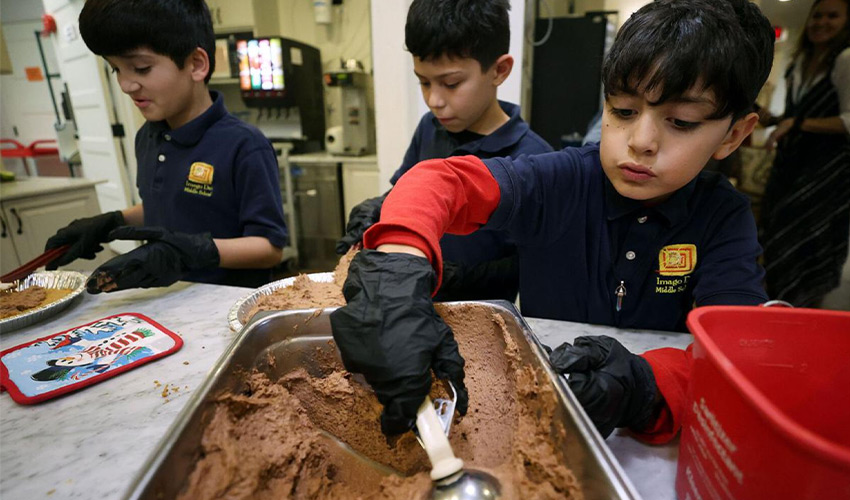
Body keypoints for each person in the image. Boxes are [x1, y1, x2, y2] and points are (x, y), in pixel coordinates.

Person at [330, 0, 775, 442]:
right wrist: (398, 262)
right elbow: (440, 182)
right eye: (623, 112)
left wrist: (643, 385)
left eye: (680, 121)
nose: (641, 141)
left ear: (734, 134)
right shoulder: (562, 179)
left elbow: (733, 350)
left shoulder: (725, 218)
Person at [43, 0, 288, 292]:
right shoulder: (147, 137)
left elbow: (269, 248)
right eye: (115, 70)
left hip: (225, 304)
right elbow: (170, 203)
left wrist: (190, 251)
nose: (126, 85)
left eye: (141, 68)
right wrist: (113, 222)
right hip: (162, 299)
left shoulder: (244, 145)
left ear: (196, 64)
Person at [335, 0, 552, 301]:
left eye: (451, 83)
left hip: (481, 316)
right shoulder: (429, 128)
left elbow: (534, 265)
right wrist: (377, 210)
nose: (434, 100)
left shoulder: (534, 159)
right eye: (423, 82)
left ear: (499, 70)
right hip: (416, 305)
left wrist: (459, 276)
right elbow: (406, 196)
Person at [758, 0, 850, 308]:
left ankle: (804, 317)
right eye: (818, 16)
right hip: (790, 166)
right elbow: (796, 116)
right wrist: (772, 119)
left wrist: (795, 123)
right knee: (775, 235)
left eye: (832, 16)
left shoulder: (846, 60)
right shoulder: (801, 62)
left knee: (810, 240)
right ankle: (775, 313)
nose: (822, 22)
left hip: (826, 172)